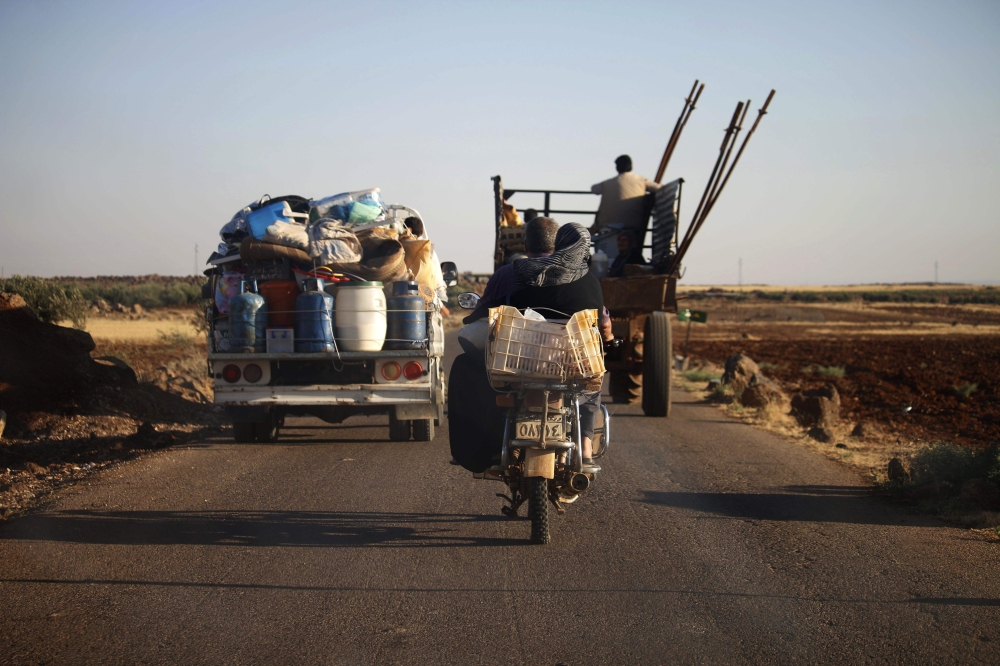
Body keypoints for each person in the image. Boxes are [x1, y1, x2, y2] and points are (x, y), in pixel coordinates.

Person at [452, 220, 612, 473]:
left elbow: (485, 308)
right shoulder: (588, 279)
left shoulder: (514, 272)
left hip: (519, 359)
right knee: (592, 389)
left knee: (480, 375)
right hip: (569, 362)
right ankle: (586, 448)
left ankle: (486, 446)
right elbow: (601, 320)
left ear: (526, 244)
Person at [590, 155, 661, 260]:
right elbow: (660, 188)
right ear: (631, 166)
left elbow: (594, 189)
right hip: (633, 228)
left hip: (607, 229)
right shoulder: (642, 180)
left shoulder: (607, 183)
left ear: (617, 168)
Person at [403, 216, 449, 316]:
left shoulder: (397, 246)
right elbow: (436, 279)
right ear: (422, 231)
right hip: (424, 298)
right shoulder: (426, 249)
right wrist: (442, 298)